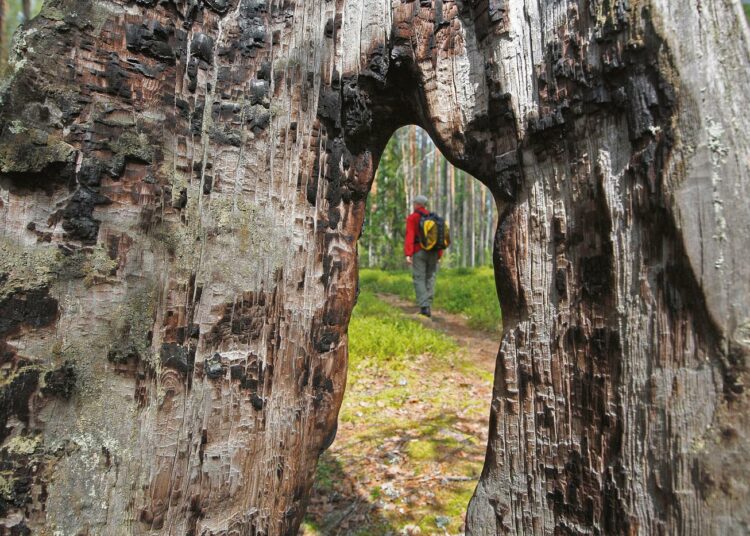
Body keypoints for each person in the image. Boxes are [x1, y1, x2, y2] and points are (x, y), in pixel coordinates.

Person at [404, 195, 441, 317]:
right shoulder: (434, 218)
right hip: (434, 252)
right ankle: (428, 304)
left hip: (419, 251)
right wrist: (439, 254)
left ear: (416, 204)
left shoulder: (413, 218)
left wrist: (408, 254)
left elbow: (410, 235)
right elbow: (439, 237)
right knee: (430, 277)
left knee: (419, 278)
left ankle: (424, 307)